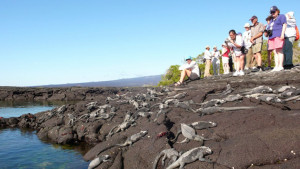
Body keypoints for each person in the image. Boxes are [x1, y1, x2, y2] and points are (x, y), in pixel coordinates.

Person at [267, 6, 287, 72]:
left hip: (278, 35)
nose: (273, 13)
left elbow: (284, 25)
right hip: (271, 37)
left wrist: (282, 34)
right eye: (271, 12)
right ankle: (276, 66)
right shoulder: (271, 20)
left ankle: (280, 65)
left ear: (277, 11)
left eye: (274, 11)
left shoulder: (281, 16)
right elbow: (269, 28)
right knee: (274, 52)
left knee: (279, 50)